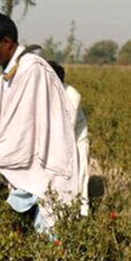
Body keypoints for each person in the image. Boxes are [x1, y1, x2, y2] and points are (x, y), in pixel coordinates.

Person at [0, 13, 85, 236]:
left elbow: (20, 126)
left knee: (50, 239)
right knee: (23, 231)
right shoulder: (11, 70)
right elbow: (4, 121)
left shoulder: (31, 68)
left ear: (6, 42)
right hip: (30, 168)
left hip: (45, 165)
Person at [48, 59, 91, 216]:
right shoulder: (42, 92)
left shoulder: (72, 95)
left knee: (80, 179)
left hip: (75, 140)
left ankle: (82, 215)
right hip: (54, 140)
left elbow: (66, 129)